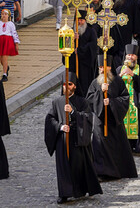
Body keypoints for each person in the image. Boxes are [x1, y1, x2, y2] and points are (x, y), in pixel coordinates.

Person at [45, 72, 102, 204]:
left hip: (78, 139)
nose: (66, 87)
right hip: (63, 140)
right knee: (63, 167)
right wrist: (60, 127)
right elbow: (50, 119)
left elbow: (88, 117)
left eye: (69, 84)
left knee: (78, 166)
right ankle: (64, 193)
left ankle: (79, 190)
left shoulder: (82, 101)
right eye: (64, 84)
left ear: (75, 86)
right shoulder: (56, 102)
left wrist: (73, 112)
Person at [86, 55, 138, 179]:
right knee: (99, 147)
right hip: (100, 121)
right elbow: (88, 100)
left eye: (104, 67)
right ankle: (102, 172)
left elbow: (125, 99)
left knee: (115, 147)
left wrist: (111, 102)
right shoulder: (95, 83)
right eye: (100, 67)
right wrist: (100, 93)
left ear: (109, 67)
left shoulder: (118, 82)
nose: (102, 69)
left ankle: (115, 171)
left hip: (114, 121)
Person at [116, 45, 140, 154]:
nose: (130, 57)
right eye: (129, 55)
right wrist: (119, 76)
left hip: (136, 103)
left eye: (133, 55)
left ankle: (138, 147)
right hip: (123, 103)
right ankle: (124, 147)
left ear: (136, 57)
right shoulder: (119, 69)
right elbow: (113, 85)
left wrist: (133, 75)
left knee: (138, 126)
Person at [73, 10, 99, 96]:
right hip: (74, 62)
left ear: (85, 20)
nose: (80, 22)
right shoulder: (70, 31)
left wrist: (81, 50)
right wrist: (72, 39)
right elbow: (64, 45)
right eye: (78, 20)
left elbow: (93, 46)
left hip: (86, 63)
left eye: (82, 20)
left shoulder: (91, 31)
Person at [0, 9, 19, 82]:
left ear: (8, 16)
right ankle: (6, 67)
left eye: (5, 14)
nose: (4, 16)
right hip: (0, 41)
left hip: (7, 40)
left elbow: (14, 33)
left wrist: (16, 43)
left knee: (5, 57)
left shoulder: (11, 24)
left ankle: (4, 74)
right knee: (1, 58)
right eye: (2, 14)